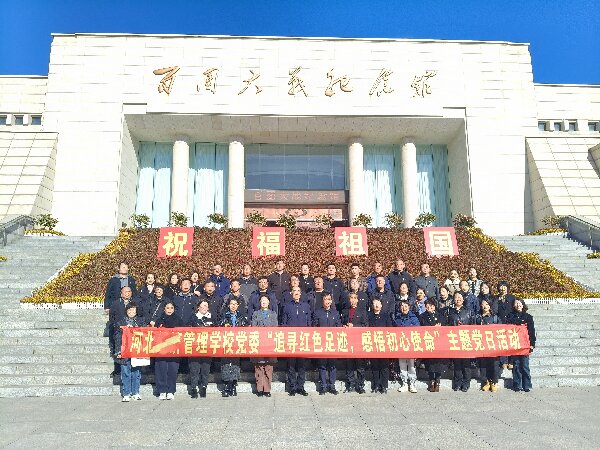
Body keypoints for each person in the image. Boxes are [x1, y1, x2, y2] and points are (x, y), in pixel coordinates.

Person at [281, 286, 311, 396]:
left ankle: (301, 387)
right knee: (291, 364)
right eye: (294, 291)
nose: (296, 293)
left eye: (298, 291)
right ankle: (292, 387)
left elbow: (309, 322)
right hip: (291, 339)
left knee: (302, 365)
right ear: (291, 293)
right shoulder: (287, 306)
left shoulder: (306, 306)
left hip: (302, 339)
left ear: (301, 293)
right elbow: (284, 323)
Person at [113, 303, 145, 402]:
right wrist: (118, 351)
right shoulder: (120, 322)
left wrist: (134, 328)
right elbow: (117, 338)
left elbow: (145, 334)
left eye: (133, 310)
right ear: (126, 311)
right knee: (125, 372)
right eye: (129, 310)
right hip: (124, 350)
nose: (131, 312)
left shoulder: (141, 321)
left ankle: (136, 392)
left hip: (136, 350)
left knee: (136, 372)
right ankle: (126, 393)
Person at [153, 301, 184, 400]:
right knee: (160, 369)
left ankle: (171, 391)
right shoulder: (159, 320)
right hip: (161, 349)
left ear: (174, 309)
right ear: (164, 309)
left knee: (172, 370)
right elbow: (154, 335)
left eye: (171, 308)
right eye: (167, 308)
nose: (169, 310)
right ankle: (162, 390)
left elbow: (182, 334)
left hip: (174, 349)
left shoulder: (179, 320)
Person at [219, 298, 249, 397]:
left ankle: (233, 384)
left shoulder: (242, 316)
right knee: (226, 363)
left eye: (235, 304)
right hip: (226, 342)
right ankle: (226, 385)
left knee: (235, 363)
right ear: (228, 305)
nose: (233, 306)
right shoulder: (223, 315)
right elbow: (218, 327)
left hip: (237, 342)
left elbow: (246, 328)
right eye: (231, 304)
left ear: (238, 305)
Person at [312, 293, 341, 395]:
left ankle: (332, 386)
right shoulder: (317, 313)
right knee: (322, 365)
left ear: (331, 301)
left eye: (329, 299)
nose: (327, 301)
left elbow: (339, 327)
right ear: (322, 301)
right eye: (326, 299)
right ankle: (323, 386)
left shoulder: (335, 313)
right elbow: (314, 327)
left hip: (332, 343)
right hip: (322, 342)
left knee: (332, 365)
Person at [506, 299, 536, 392]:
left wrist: (532, 344)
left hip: (525, 344)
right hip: (515, 343)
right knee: (516, 365)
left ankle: (527, 385)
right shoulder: (510, 316)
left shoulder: (528, 317)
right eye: (516, 303)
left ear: (523, 305)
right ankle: (517, 385)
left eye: (520, 303)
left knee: (525, 365)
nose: (518, 305)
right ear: (513, 305)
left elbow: (531, 331)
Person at [446, 292, 474, 392]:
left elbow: (473, 325)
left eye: (460, 297)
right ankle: (457, 382)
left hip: (466, 339)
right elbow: (446, 324)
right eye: (456, 297)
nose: (458, 299)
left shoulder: (469, 311)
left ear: (463, 299)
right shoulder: (449, 311)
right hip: (454, 339)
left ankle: (466, 383)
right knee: (457, 362)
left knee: (466, 362)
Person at [251, 295, 278, 397]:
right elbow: (254, 326)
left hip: (269, 343)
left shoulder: (273, 314)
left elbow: (275, 327)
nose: (263, 302)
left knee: (268, 367)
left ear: (268, 302)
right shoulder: (255, 314)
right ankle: (259, 389)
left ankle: (267, 389)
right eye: (262, 300)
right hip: (259, 342)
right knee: (259, 367)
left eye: (265, 300)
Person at [341, 292, 368, 394]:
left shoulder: (362, 311)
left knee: (360, 365)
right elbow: (341, 323)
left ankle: (360, 385)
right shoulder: (345, 311)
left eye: (354, 298)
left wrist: (354, 327)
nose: (353, 300)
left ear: (357, 300)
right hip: (348, 340)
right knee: (349, 364)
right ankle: (350, 384)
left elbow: (365, 325)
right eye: (351, 298)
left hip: (358, 341)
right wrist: (344, 326)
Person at [187, 300, 214, 399]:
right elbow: (187, 330)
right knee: (194, 368)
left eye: (206, 306)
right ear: (198, 307)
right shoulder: (193, 317)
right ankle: (193, 388)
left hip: (207, 346)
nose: (204, 308)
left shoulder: (211, 317)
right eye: (202, 306)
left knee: (205, 369)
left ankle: (204, 387)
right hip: (195, 347)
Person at [474, 298, 501, 392]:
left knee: (494, 364)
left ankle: (494, 382)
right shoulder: (477, 318)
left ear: (490, 306)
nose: (485, 306)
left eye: (487, 304)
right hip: (482, 344)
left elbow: (501, 330)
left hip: (493, 344)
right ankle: (486, 382)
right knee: (483, 364)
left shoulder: (495, 317)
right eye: (483, 304)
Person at [419, 299, 446, 392]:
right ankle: (431, 380)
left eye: (431, 306)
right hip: (428, 341)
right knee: (430, 362)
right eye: (427, 306)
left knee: (438, 362)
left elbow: (445, 327)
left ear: (434, 306)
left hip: (438, 342)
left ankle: (437, 380)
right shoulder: (422, 316)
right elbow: (420, 329)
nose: (429, 307)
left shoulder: (440, 316)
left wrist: (439, 328)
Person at [394, 300, 420, 393]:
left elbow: (417, 331)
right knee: (402, 365)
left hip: (411, 345)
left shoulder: (414, 318)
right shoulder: (397, 318)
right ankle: (404, 383)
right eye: (402, 306)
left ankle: (412, 383)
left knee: (411, 365)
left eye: (406, 306)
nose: (404, 308)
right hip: (401, 345)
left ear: (409, 307)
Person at [368, 298, 392, 393]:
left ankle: (384, 385)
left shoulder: (386, 316)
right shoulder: (369, 316)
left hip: (383, 344)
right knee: (375, 365)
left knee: (384, 365)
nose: (377, 305)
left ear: (381, 305)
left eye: (378, 303)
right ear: (372, 305)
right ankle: (376, 385)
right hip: (373, 344)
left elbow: (390, 329)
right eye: (375, 303)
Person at [496, 281, 516, 369]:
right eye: (501, 287)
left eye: (504, 286)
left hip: (510, 323)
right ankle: (503, 361)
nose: (503, 288)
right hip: (500, 323)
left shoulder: (512, 298)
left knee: (511, 342)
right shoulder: (496, 298)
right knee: (502, 342)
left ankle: (511, 361)